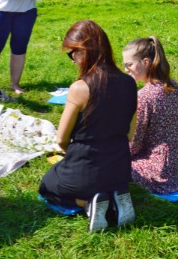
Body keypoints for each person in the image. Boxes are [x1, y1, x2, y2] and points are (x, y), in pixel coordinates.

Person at [39, 20, 138, 232]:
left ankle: (89, 203)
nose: (72, 59)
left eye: (72, 53)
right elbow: (130, 135)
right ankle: (113, 198)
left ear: (85, 51)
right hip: (119, 168)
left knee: (47, 185)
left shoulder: (79, 88)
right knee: (93, 180)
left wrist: (68, 150)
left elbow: (61, 139)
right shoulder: (130, 84)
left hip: (85, 167)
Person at [122, 36, 178, 194]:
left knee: (109, 163)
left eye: (129, 65)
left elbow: (134, 144)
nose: (126, 70)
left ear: (145, 62)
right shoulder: (174, 85)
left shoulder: (144, 97)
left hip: (161, 169)